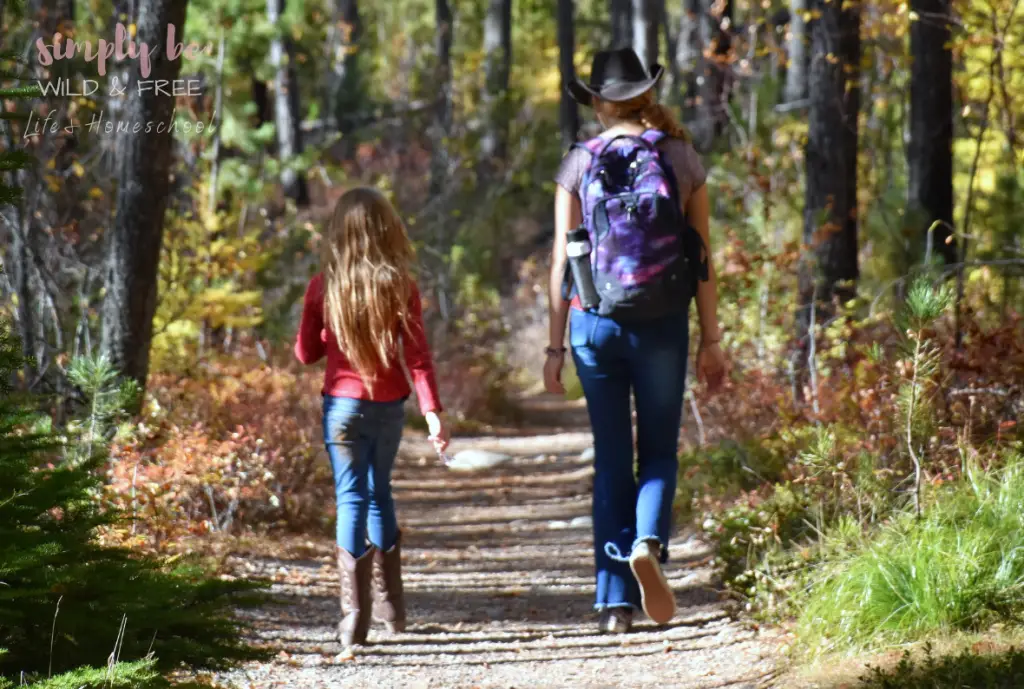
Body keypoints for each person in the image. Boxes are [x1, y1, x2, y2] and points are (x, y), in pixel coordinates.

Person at [545, 47, 727, 633]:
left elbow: (561, 261)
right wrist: (712, 341)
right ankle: (648, 539)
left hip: (593, 325)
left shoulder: (578, 162)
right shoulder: (679, 156)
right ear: (646, 94)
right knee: (658, 453)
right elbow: (701, 258)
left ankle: (613, 603)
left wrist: (553, 348)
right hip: (663, 323)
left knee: (610, 461)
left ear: (598, 101)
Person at [295, 187, 450, 649]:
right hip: (387, 406)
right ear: (387, 230)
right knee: (379, 494)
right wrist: (432, 413)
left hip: (341, 406)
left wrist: (327, 332)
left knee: (350, 499)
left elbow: (306, 353)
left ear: (339, 232)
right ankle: (392, 613)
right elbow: (418, 357)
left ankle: (352, 621)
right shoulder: (401, 284)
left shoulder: (323, 286)